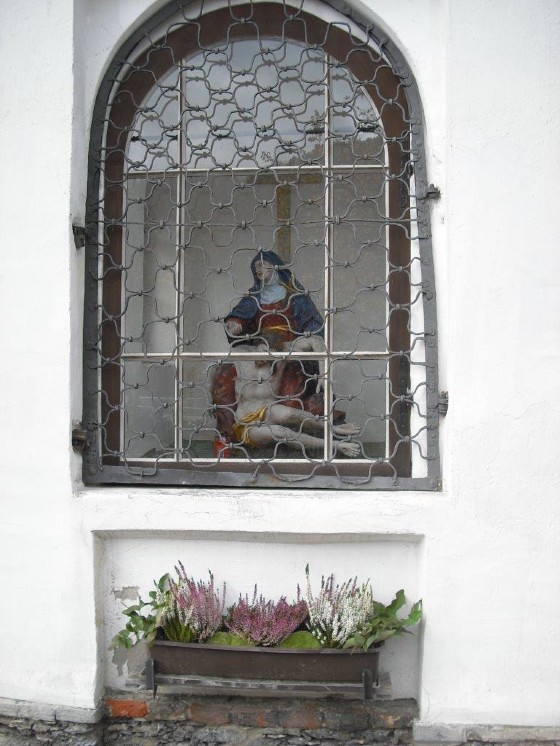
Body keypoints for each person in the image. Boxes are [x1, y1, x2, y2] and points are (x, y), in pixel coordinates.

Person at [230, 332, 361, 458]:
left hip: (268, 410)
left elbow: (315, 340)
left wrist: (323, 374)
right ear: (258, 345)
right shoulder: (241, 353)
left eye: (272, 355)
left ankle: (333, 428)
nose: (268, 357)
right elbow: (218, 359)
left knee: (290, 414)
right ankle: (335, 445)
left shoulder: (282, 352)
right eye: (265, 351)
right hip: (246, 423)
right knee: (279, 432)